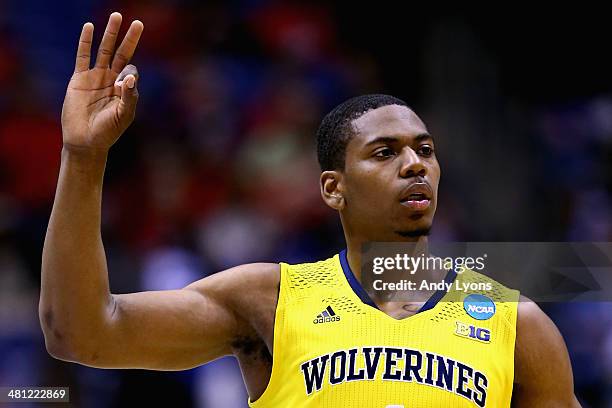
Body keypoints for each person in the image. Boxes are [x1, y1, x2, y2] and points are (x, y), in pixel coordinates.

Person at [40, 12, 581, 407]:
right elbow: (81, 333)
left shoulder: (518, 323)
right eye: (385, 153)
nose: (415, 164)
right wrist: (83, 157)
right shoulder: (266, 301)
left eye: (426, 150)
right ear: (332, 189)